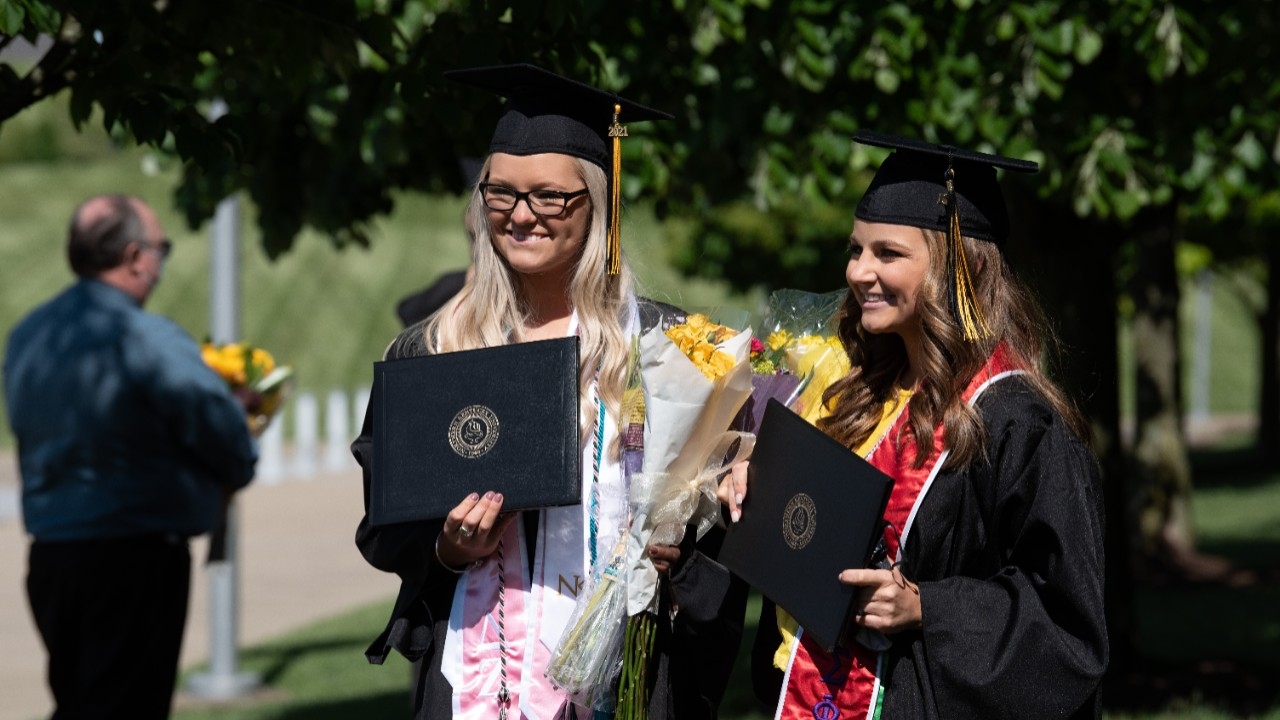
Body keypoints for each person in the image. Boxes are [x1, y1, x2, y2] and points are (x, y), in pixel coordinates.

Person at [353, 63, 747, 719]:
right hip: (477, 680)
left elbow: (725, 542)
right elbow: (385, 527)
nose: (521, 215)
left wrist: (677, 561)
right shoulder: (434, 350)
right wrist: (450, 548)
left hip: (625, 681)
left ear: (600, 204)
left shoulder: (670, 349)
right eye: (500, 194)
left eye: (549, 196)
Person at [718, 131, 1109, 719]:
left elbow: (1067, 625)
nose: (858, 271)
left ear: (955, 268)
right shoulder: (855, 395)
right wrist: (758, 481)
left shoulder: (1017, 424)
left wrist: (927, 607)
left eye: (888, 254)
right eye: (856, 249)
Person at [3, 194, 259, 718]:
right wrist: (241, 428)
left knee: (79, 702)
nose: (161, 263)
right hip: (132, 560)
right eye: (160, 249)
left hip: (52, 558)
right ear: (135, 256)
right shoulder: (142, 337)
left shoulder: (30, 334)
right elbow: (216, 426)